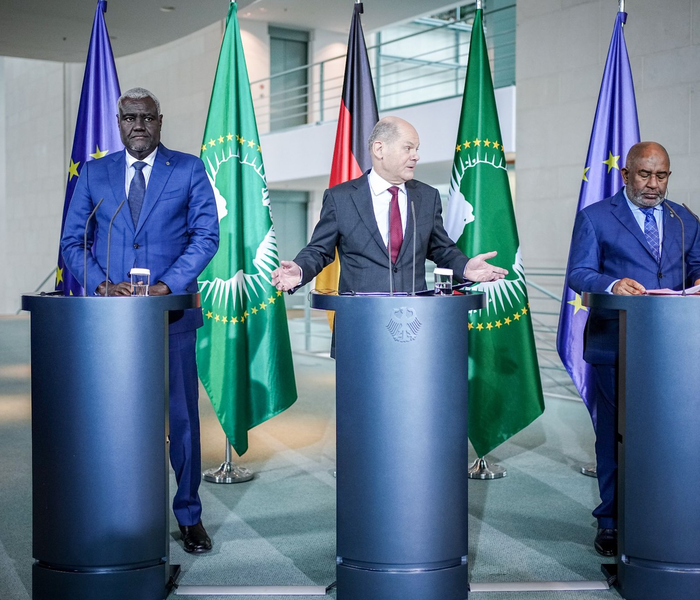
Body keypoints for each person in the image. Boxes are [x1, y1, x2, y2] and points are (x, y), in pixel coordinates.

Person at [60, 87, 219, 554]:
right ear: (118, 122)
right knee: (114, 418)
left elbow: (206, 235)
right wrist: (102, 285)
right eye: (129, 118)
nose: (138, 126)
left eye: (146, 118)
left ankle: (189, 515)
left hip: (170, 318)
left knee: (183, 421)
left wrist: (167, 286)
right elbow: (73, 241)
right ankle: (118, 513)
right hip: (112, 323)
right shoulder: (94, 173)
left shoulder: (188, 168)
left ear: (160, 120)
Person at [567, 141, 700, 557]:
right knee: (616, 437)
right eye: (645, 175)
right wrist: (612, 285)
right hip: (616, 344)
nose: (654, 184)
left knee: (667, 435)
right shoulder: (596, 217)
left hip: (674, 350)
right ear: (626, 174)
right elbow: (579, 273)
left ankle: (664, 512)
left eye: (662, 175)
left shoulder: (684, 219)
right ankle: (611, 521)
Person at [271, 116, 506, 295]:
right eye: (408, 148)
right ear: (380, 149)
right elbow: (319, 250)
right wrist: (299, 270)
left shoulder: (427, 196)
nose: (416, 156)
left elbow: (441, 249)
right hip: (359, 322)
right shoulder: (340, 198)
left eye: (417, 149)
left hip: (415, 322)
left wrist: (465, 267)